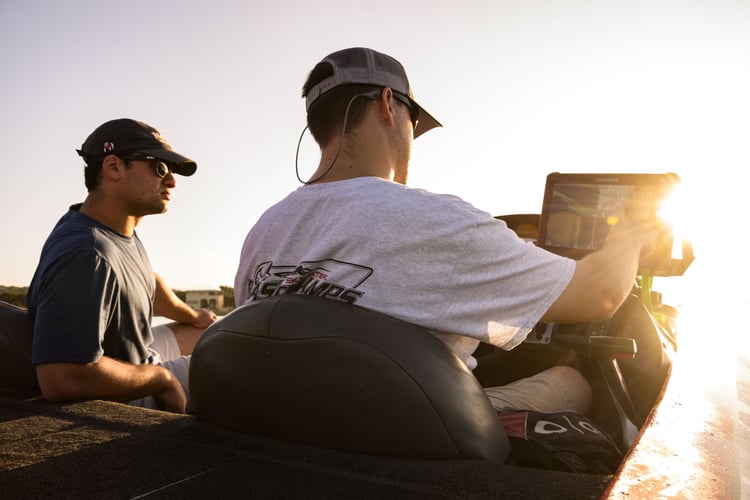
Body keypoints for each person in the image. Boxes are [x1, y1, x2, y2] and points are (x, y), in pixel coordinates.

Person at [234, 47, 662, 416]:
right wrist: (630, 231)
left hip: (287, 437)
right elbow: (601, 294)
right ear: (388, 103)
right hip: (405, 441)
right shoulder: (435, 220)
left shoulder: (263, 231)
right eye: (413, 120)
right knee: (572, 378)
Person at [27, 118, 216, 414]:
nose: (171, 181)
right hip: (125, 394)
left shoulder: (111, 230)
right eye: (160, 167)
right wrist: (161, 379)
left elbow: (144, 280)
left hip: (140, 358)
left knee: (217, 334)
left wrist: (192, 315)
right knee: (253, 361)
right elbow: (62, 376)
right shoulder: (86, 252)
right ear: (113, 167)